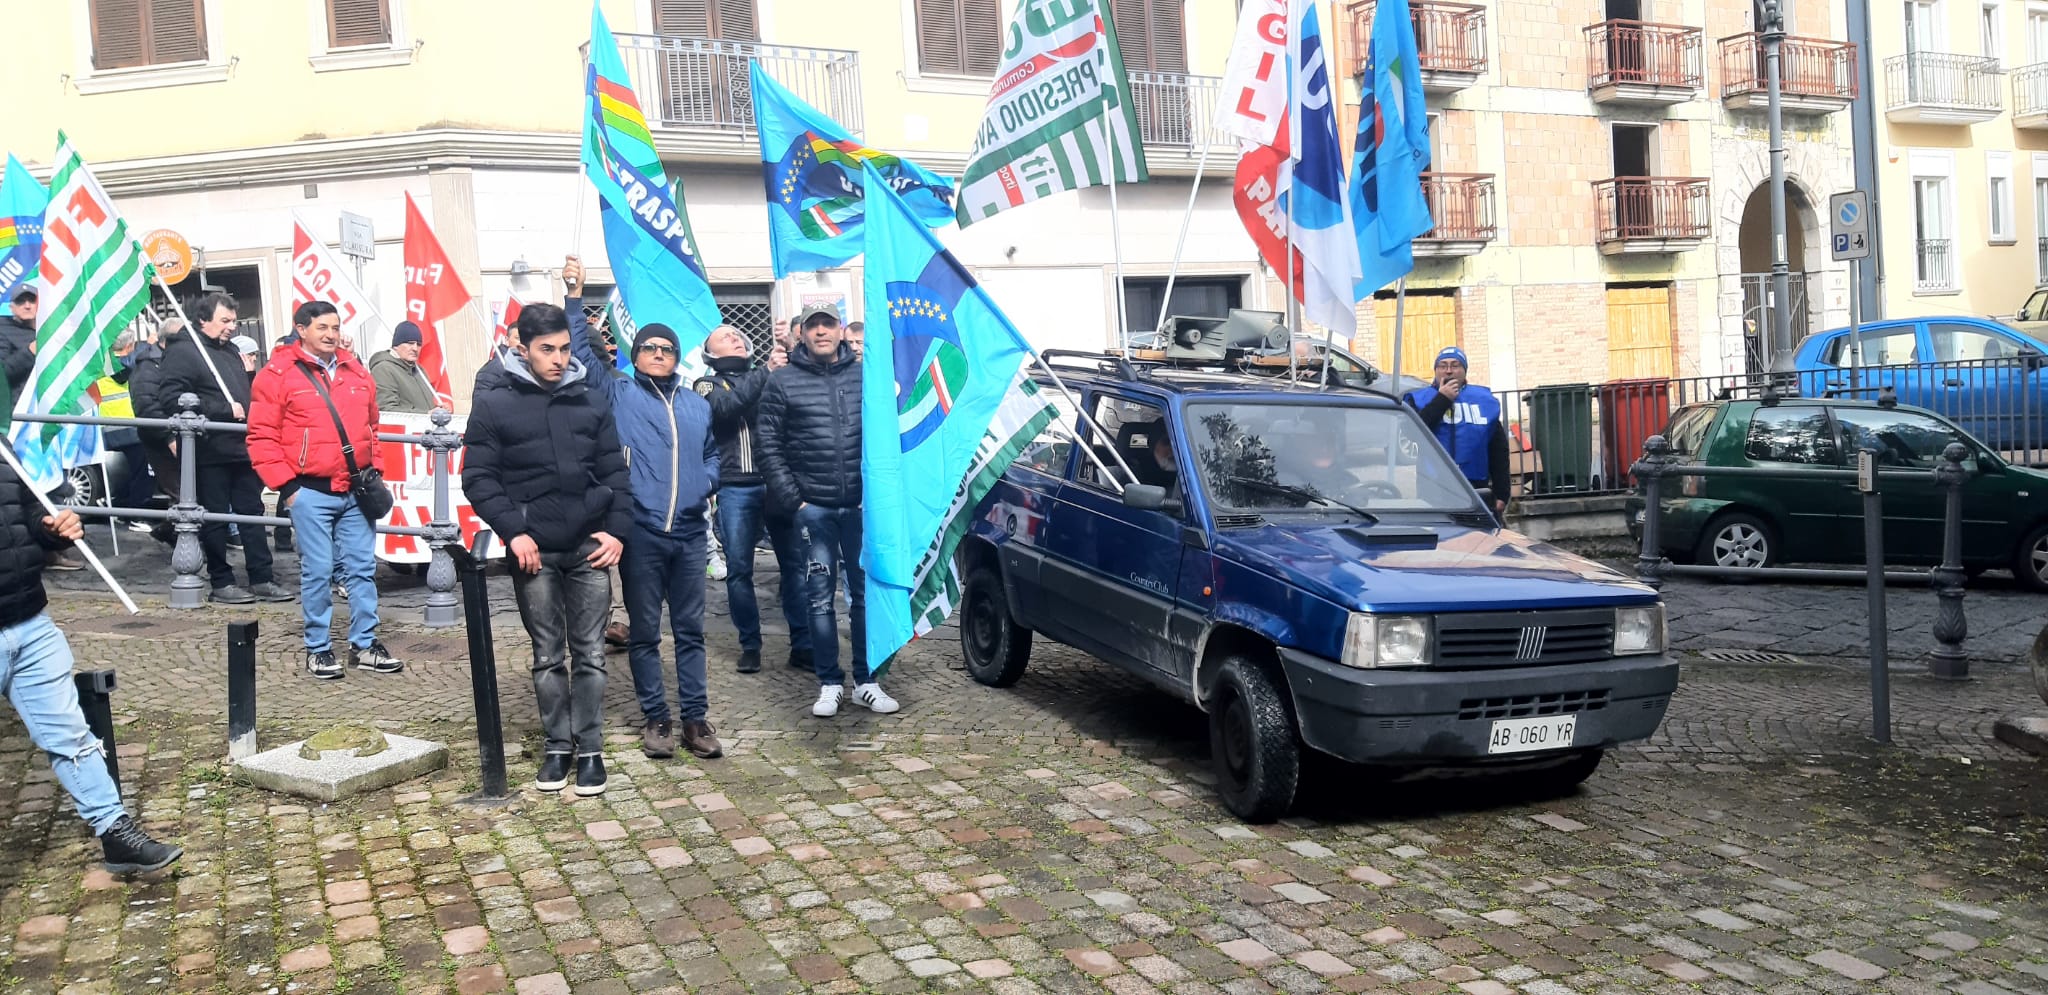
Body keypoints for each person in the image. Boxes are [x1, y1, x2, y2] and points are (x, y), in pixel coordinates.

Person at [463, 303, 632, 796]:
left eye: (564, 348)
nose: (558, 359)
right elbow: (477, 476)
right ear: (522, 347)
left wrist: (617, 531)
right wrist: (514, 531)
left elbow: (615, 474)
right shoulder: (495, 403)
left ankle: (591, 748)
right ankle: (558, 745)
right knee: (547, 656)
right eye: (547, 350)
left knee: (592, 654)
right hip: (533, 551)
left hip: (588, 548)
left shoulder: (590, 400)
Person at [562, 258, 723, 762]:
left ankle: (696, 719)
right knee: (646, 632)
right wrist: (574, 295)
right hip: (643, 532)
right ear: (636, 354)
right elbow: (583, 358)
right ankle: (657, 718)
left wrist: (706, 483)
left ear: (677, 356)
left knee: (692, 632)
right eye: (649, 348)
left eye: (666, 349)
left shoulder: (697, 403)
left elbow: (713, 453)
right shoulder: (619, 392)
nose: (658, 353)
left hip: (691, 532)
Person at [0, 455, 182, 873]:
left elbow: (28, 514)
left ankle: (116, 832)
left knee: (72, 737)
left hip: (29, 621)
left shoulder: (3, 445)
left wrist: (52, 531)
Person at [247, 301, 405, 681]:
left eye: (335, 327)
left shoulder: (356, 371)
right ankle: (318, 648)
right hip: (309, 490)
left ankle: (364, 643)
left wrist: (375, 469)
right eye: (322, 327)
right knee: (317, 570)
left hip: (355, 489)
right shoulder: (277, 375)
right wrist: (287, 488)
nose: (331, 334)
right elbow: (262, 435)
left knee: (363, 569)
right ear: (301, 329)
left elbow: (372, 428)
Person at [758, 303, 900, 718]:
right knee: (818, 599)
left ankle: (867, 681)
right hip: (813, 510)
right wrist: (795, 500)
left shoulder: (866, 378)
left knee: (864, 596)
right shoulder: (782, 382)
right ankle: (829, 682)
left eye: (829, 324)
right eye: (814, 325)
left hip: (860, 507)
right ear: (802, 333)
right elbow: (769, 445)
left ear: (841, 330)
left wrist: (875, 494)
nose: (821, 332)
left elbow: (887, 436)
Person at [158, 292, 289, 604]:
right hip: (210, 449)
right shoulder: (184, 353)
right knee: (215, 517)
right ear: (203, 320)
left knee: (252, 512)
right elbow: (171, 398)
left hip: (240, 446)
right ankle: (221, 579)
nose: (232, 327)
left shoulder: (228, 349)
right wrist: (221, 409)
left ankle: (262, 576)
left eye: (233, 320)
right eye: (225, 321)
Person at [697, 324, 808, 676]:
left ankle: (803, 643)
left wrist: (791, 348)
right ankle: (750, 644)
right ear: (712, 354)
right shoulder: (706, 385)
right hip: (736, 487)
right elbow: (728, 408)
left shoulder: (768, 375)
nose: (735, 337)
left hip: (778, 484)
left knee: (793, 565)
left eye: (737, 334)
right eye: (725, 337)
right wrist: (766, 372)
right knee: (740, 570)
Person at [1405, 346, 1510, 522]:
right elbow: (1414, 432)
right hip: (1434, 487)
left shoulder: (1483, 401)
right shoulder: (1420, 399)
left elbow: (1498, 450)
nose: (1448, 371)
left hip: (1474, 485)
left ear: (1464, 370)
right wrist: (1442, 399)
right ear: (1436, 370)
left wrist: (1502, 493)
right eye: (1443, 366)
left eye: (1455, 365)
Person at [91, 330, 154, 527]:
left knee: (129, 471)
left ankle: (118, 505)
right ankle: (137, 514)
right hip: (126, 427)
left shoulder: (102, 361)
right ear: (129, 346)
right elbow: (124, 371)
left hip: (109, 425)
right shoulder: (118, 364)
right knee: (142, 472)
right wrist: (148, 345)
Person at [369, 322, 439, 414]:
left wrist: (438, 410)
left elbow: (425, 406)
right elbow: (386, 409)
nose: (415, 348)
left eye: (418, 344)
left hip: (425, 428)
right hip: (404, 428)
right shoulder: (383, 369)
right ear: (396, 346)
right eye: (410, 343)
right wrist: (427, 414)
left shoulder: (420, 371)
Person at [0, 287, 35, 398]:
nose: (27, 306)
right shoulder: (3, 328)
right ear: (11, 308)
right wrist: (29, 352)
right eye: (20, 301)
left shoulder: (51, 329)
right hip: (18, 408)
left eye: (32, 300)